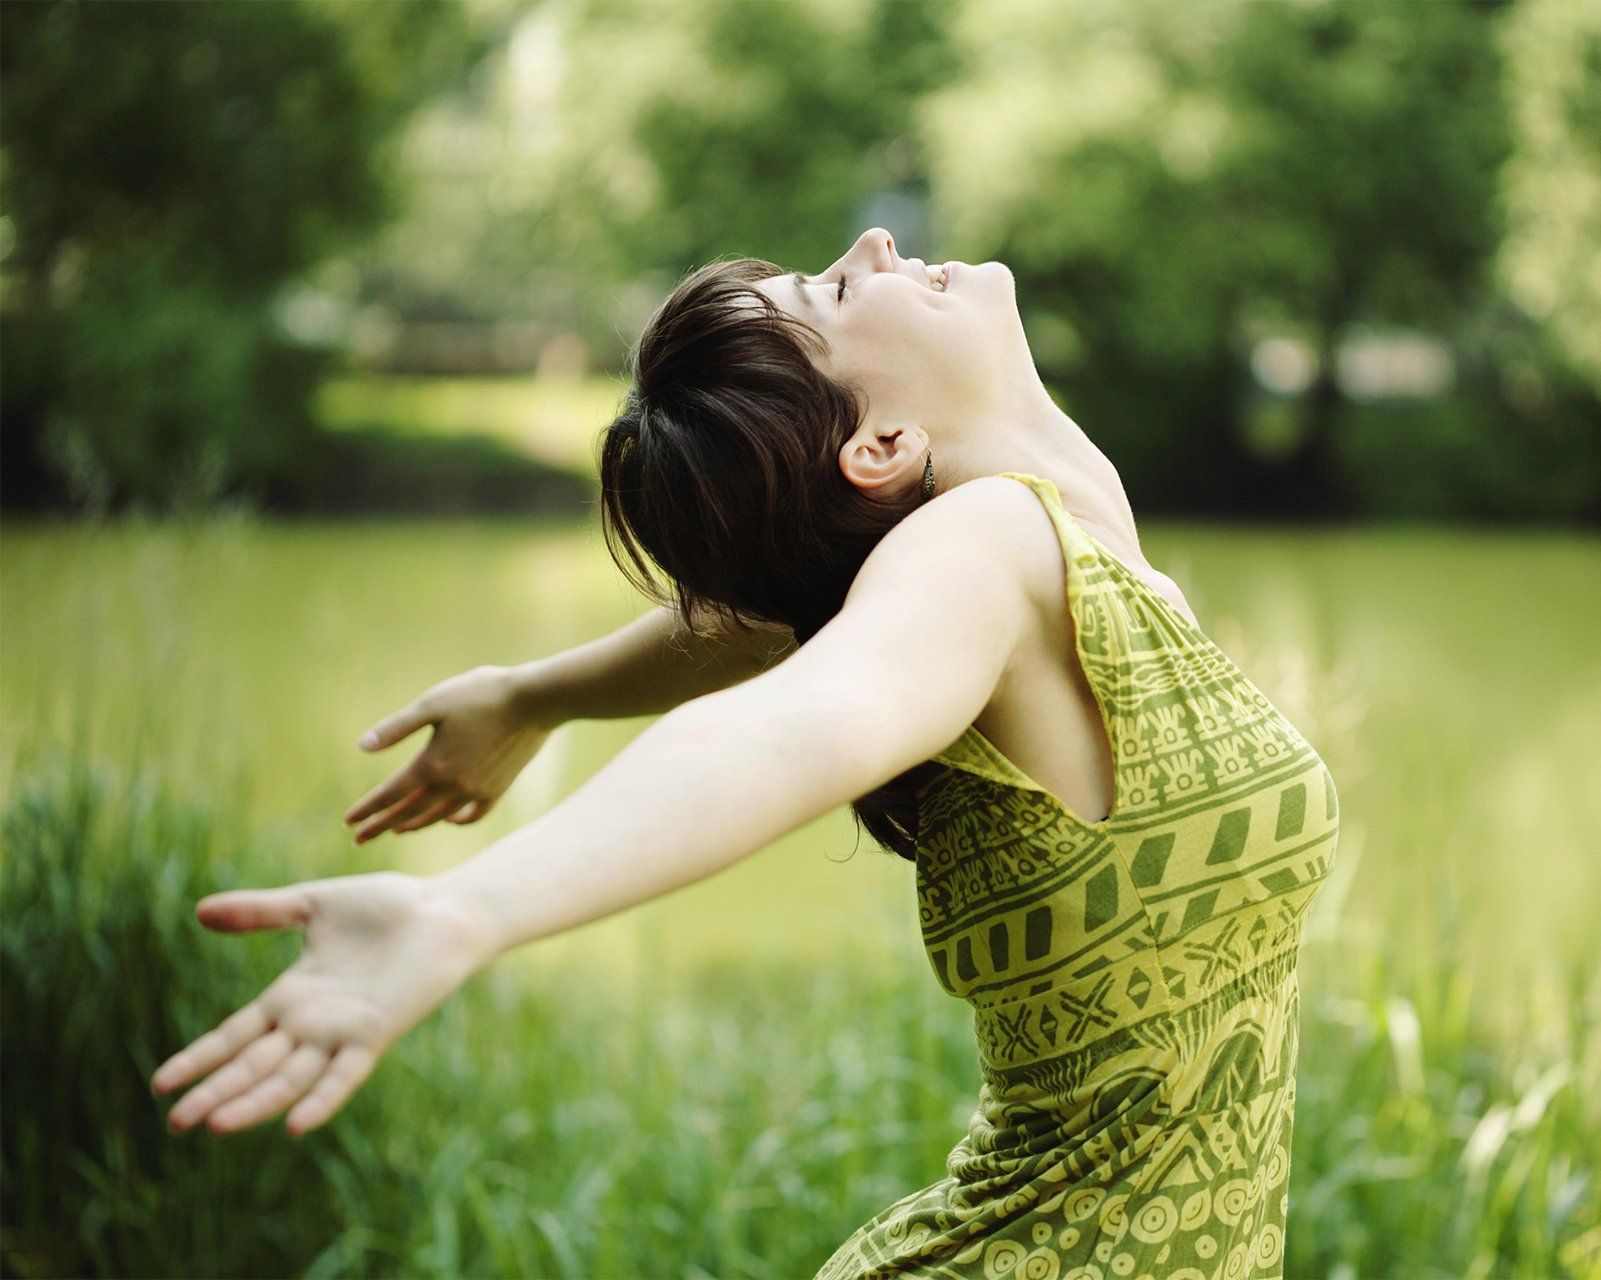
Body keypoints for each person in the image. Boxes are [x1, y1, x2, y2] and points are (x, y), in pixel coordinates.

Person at [150, 227, 1342, 1278]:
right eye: (837, 291)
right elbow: (805, 714)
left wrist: (531, 694)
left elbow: (771, 621)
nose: (874, 244)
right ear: (882, 442)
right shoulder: (988, 546)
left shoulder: (1058, 546)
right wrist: (462, 909)